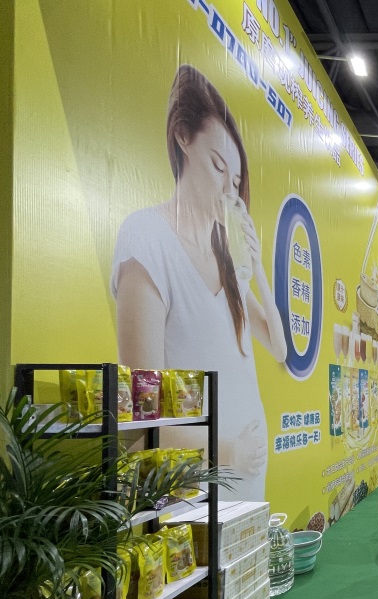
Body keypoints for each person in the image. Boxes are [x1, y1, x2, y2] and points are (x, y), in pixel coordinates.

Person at [111, 64, 287, 501]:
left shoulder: (226, 257)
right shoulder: (146, 238)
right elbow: (141, 414)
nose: (228, 190)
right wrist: (228, 451)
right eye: (217, 166)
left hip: (248, 481)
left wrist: (259, 272)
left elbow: (280, 348)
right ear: (182, 138)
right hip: (192, 487)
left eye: (236, 180)